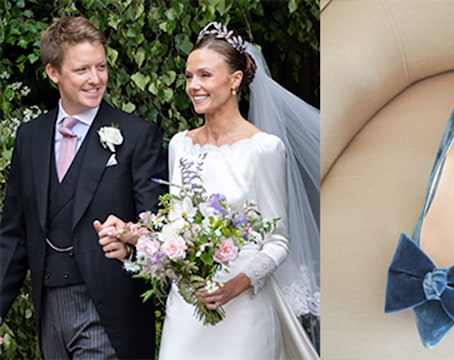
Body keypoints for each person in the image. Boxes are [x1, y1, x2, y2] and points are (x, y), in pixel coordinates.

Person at [97, 22, 320, 359]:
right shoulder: (180, 145)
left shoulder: (264, 149)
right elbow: (174, 232)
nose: (193, 86)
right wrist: (131, 235)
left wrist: (237, 284)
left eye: (204, 75)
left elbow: (278, 241)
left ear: (235, 80)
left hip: (244, 308)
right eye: (189, 76)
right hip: (188, 307)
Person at [0, 16, 167, 359]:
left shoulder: (137, 136)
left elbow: (159, 226)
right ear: (53, 73)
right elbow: (14, 236)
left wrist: (131, 244)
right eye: (82, 70)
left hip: (110, 312)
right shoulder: (30, 137)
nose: (95, 79)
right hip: (50, 311)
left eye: (101, 67)